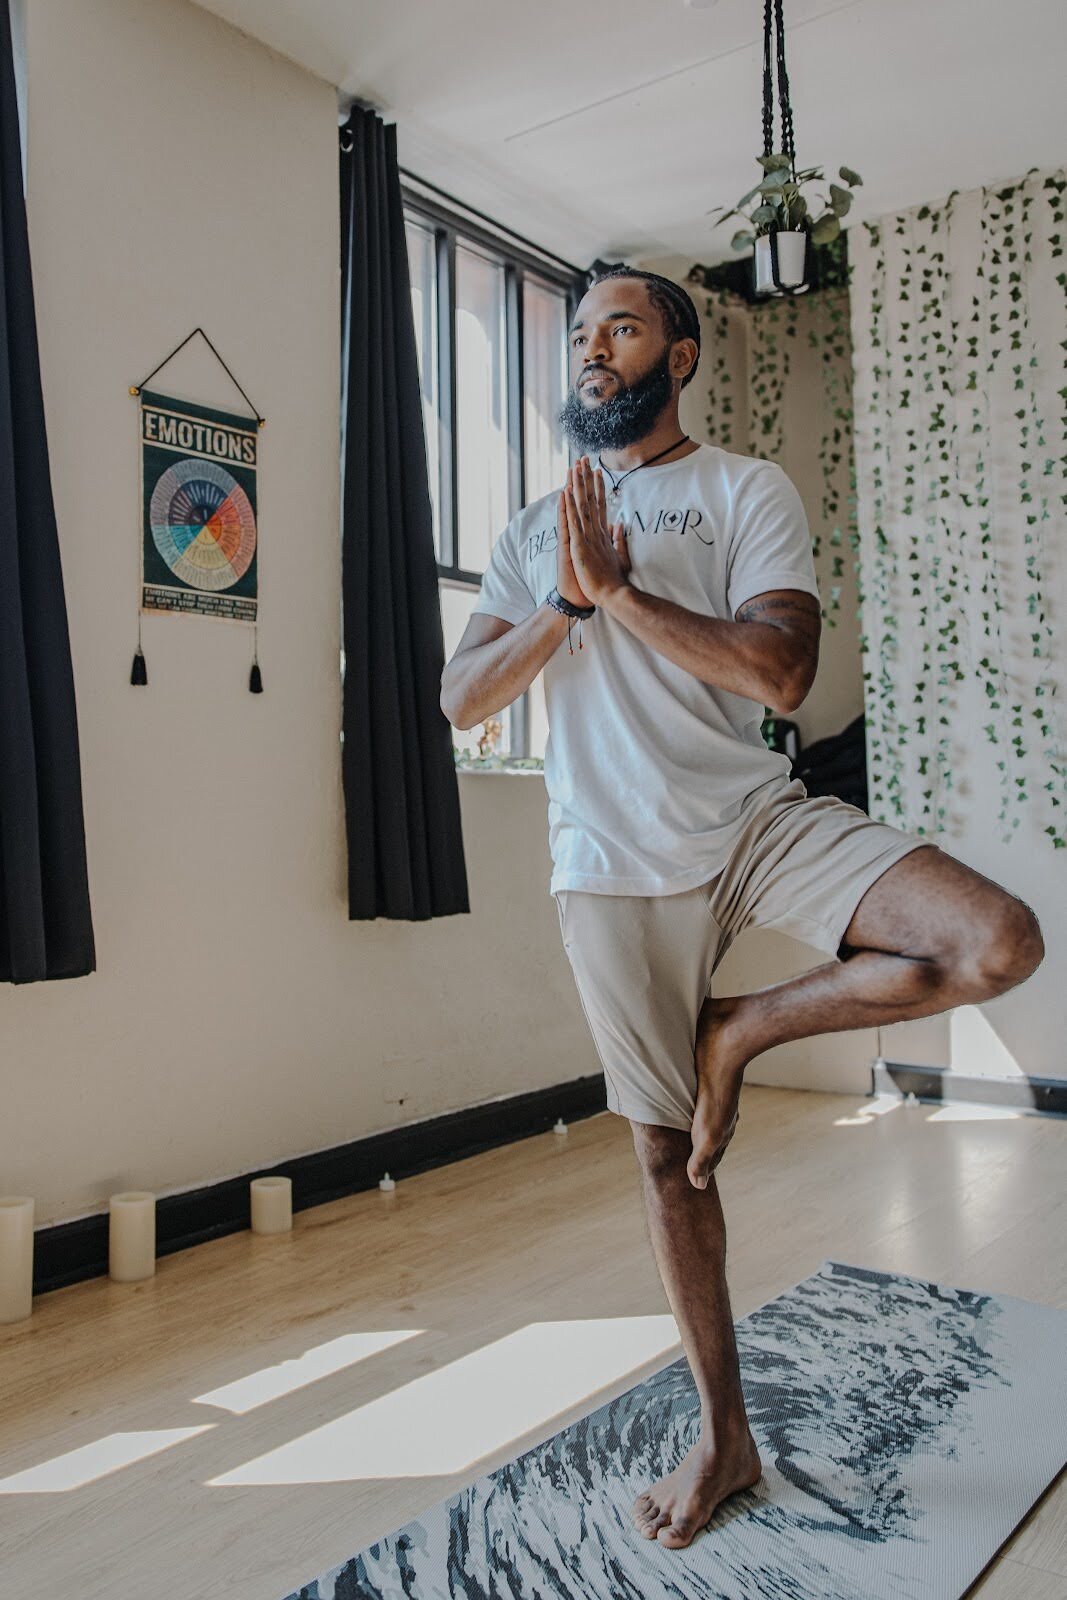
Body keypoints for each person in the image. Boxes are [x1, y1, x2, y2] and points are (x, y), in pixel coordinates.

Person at [439, 267, 1045, 1551]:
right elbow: (460, 699)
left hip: (755, 821)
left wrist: (623, 593)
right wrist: (564, 599)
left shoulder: (739, 489)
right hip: (606, 861)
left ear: (680, 355)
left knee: (994, 939)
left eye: (622, 326)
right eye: (582, 330)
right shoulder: (531, 530)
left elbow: (781, 672)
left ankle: (741, 1027)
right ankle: (725, 1435)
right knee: (668, 1157)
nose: (594, 346)